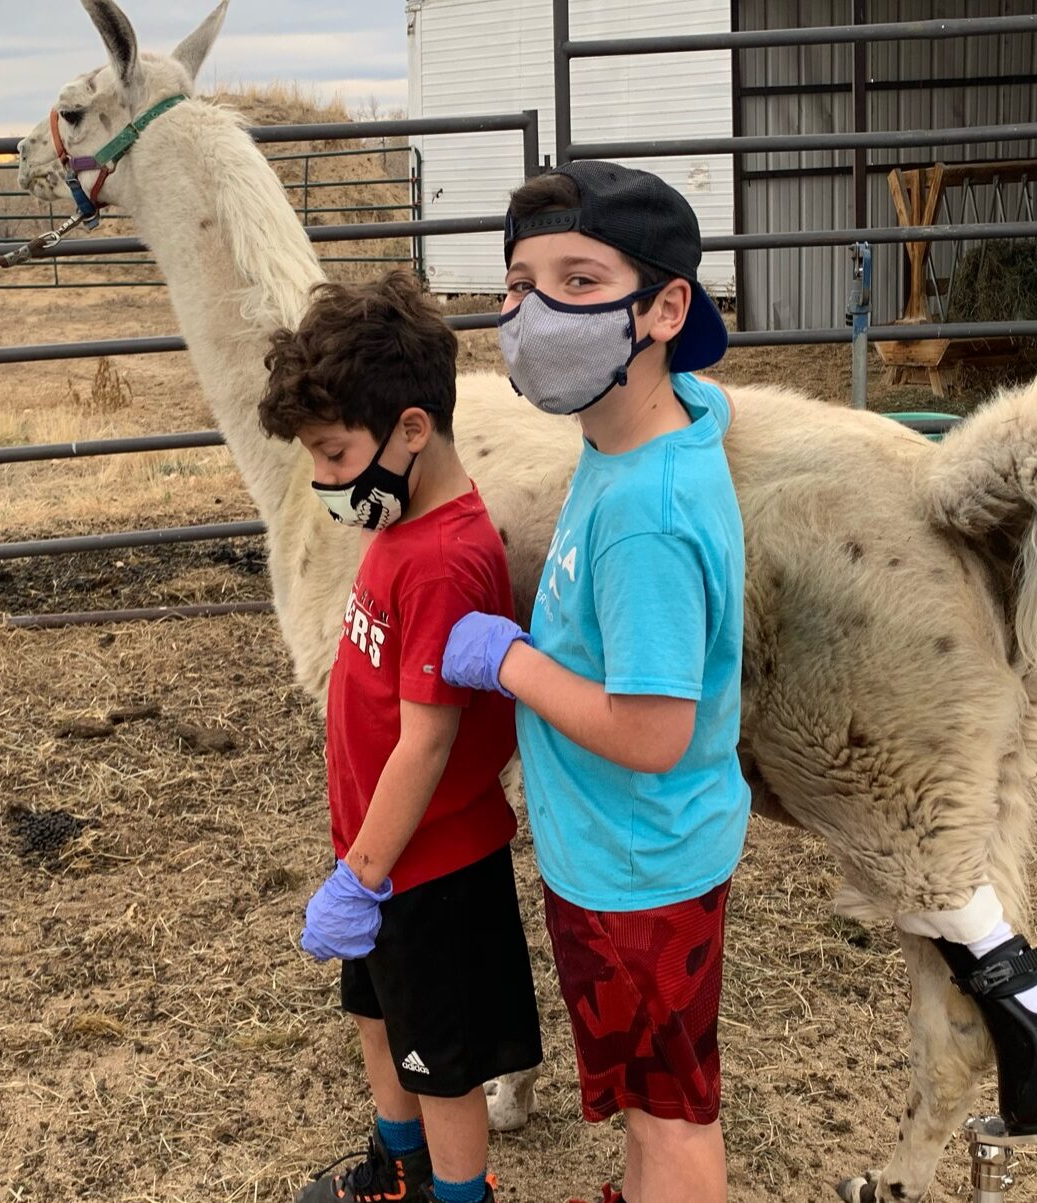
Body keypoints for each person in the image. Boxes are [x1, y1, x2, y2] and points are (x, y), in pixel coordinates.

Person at [441, 161, 747, 1203]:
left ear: (665, 309)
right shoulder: (649, 431)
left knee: (670, 1117)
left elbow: (653, 731)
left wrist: (514, 660)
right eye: (520, 284)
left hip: (636, 869)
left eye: (578, 283)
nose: (533, 315)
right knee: (646, 1088)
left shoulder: (643, 515)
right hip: (632, 854)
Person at [261, 272, 542, 1203]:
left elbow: (425, 743)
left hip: (425, 868)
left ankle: (459, 1193)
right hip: (379, 853)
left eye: (336, 455)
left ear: (411, 429)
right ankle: (400, 1170)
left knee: (444, 1062)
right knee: (378, 1015)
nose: (326, 481)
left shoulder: (445, 557)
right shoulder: (399, 517)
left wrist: (364, 874)